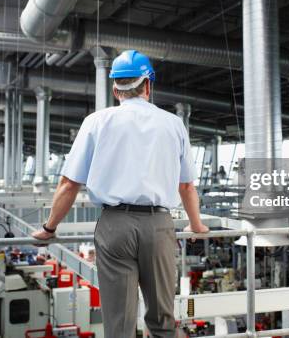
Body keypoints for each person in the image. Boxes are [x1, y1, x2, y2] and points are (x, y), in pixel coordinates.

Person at [31, 49, 209, 338]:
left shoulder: (96, 122)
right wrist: (197, 225)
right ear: (148, 85)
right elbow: (187, 186)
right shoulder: (174, 124)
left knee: (119, 322)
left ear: (115, 89)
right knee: (163, 319)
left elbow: (69, 184)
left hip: (115, 226)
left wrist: (50, 227)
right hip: (158, 226)